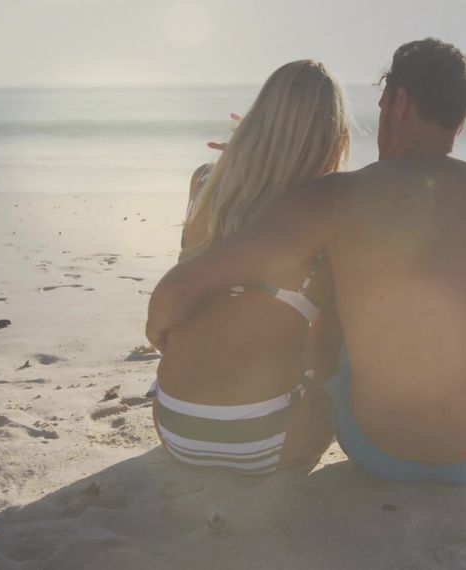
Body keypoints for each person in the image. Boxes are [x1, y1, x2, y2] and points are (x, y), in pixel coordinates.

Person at [147, 38, 466, 484]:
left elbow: (188, 280)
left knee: (353, 250)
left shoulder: (336, 196)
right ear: (461, 117)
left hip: (373, 448)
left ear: (399, 102)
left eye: (381, 106)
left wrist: (257, 156)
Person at [150, 60, 350, 476]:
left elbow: (167, 321)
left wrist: (248, 159)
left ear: (257, 122)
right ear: (334, 139)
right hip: (268, 442)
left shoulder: (205, 182)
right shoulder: (324, 211)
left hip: (173, 426)